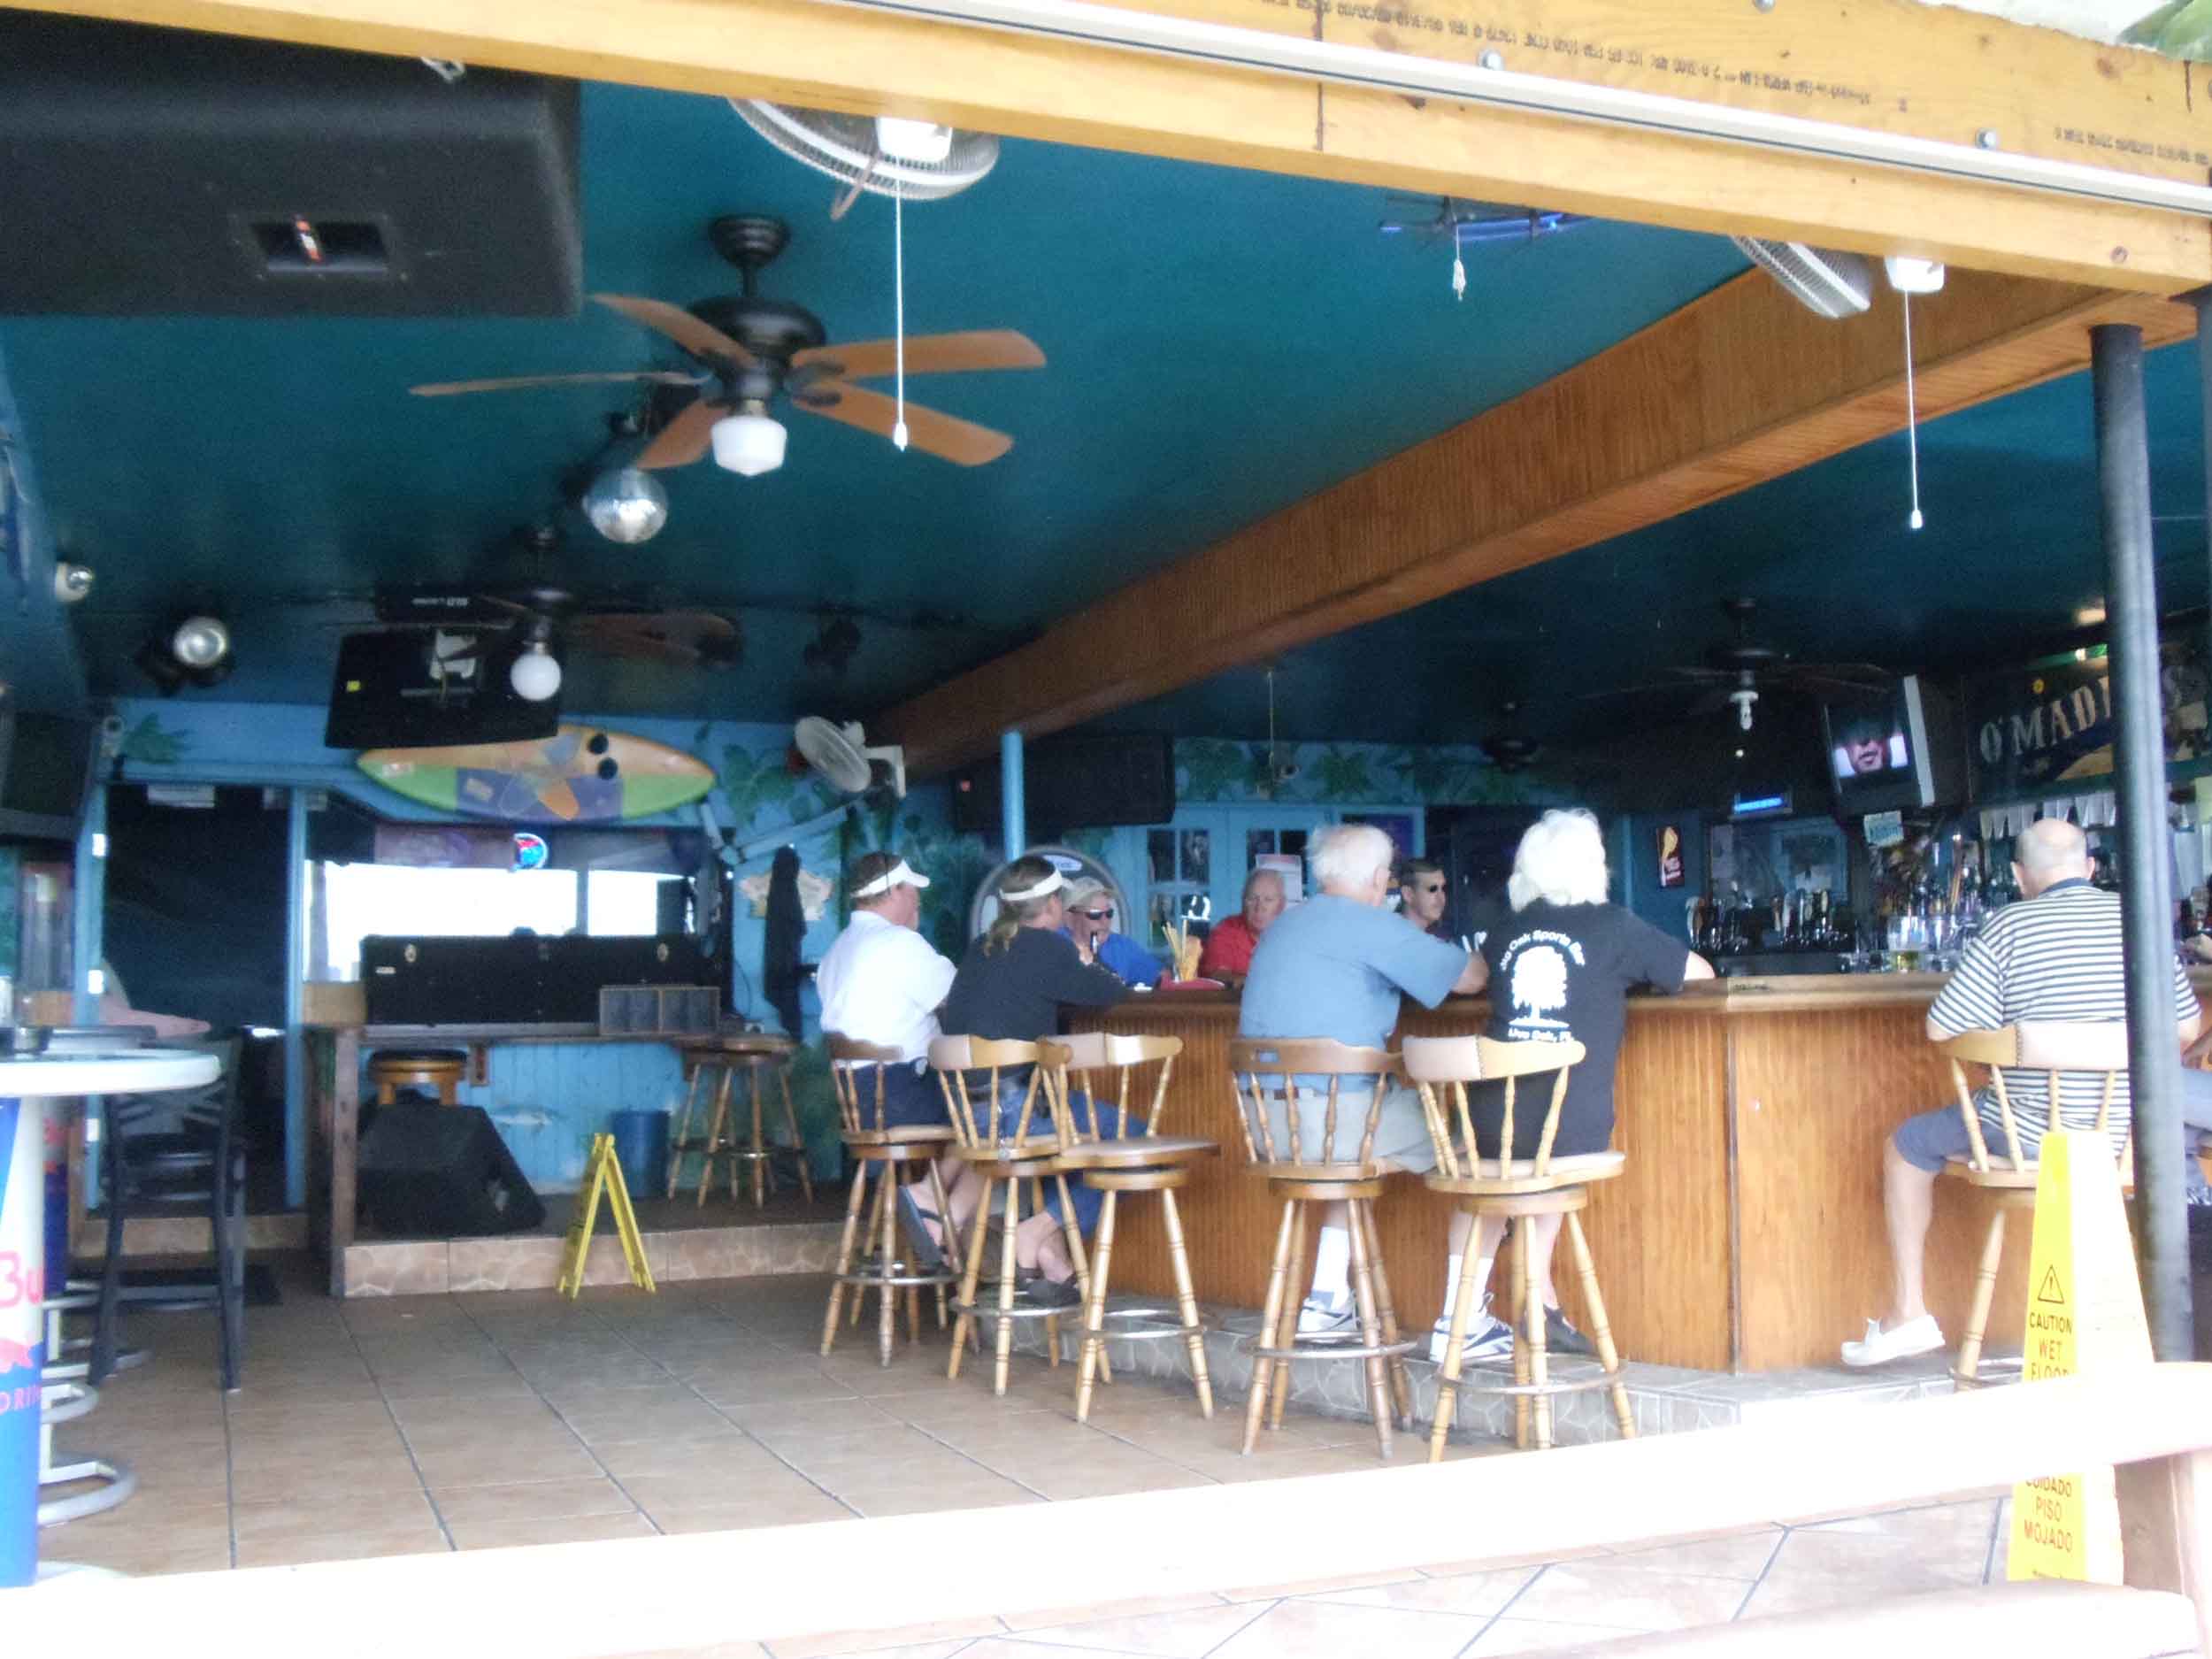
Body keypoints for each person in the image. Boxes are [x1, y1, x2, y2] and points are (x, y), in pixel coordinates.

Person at [1843, 818, 2201, 1367]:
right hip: (2133, 1137)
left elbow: (1942, 1029)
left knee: (1907, 1145)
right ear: (2090, 868)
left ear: (2018, 875)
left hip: (2034, 1133)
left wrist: (2021, 1041)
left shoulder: (2009, 926)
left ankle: (1908, 1312)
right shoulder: (2140, 921)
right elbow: (2182, 1029)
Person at [1450, 809, 1712, 1362]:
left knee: (1496, 1176)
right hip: (1569, 1121)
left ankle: (1468, 1315)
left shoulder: (1504, 932)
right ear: (1593, 867)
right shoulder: (1615, 926)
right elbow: (1699, 974)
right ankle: (1534, 1302)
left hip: (1487, 1122)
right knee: (1551, 1156)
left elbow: (1472, 976)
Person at [1239, 823, 1487, 1337]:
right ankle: (1466, 1322)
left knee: (1347, 1141)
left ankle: (1327, 1298)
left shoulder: (1282, 926)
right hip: (1332, 1123)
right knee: (1482, 1145)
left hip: (1265, 1127)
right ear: (1380, 878)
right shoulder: (1374, 926)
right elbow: (1471, 979)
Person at [940, 856, 1134, 1305]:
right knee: (1132, 1139)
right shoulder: (1048, 948)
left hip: (972, 1116)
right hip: (1017, 1115)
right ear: (1052, 904)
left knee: (1066, 1144)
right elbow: (1113, 993)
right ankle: (1038, 1231)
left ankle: (1054, 1263)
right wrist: (1086, 959)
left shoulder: (979, 948)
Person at [814, 852, 963, 1262]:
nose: (918, 902)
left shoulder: (836, 951)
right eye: (913, 891)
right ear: (894, 891)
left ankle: (940, 1221)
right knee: (996, 1119)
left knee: (987, 1118)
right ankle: (932, 1204)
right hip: (900, 1093)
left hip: (863, 1104)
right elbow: (961, 1002)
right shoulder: (899, 943)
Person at [1060, 878, 1163, 987]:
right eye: (1095, 914)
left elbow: (1161, 979)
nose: (1105, 921)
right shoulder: (1054, 946)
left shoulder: (1121, 946)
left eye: (1109, 913)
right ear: (1069, 918)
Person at [1198, 866, 1286, 987]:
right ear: (1243, 902)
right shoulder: (1226, 930)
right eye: (1252, 899)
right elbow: (1216, 974)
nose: (1259, 907)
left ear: (1282, 905)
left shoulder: (1292, 935)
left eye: (1268, 900)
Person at [1397, 857, 1450, 939]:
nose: (1441, 897)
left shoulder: (1440, 937)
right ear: (1408, 894)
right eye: (1432, 889)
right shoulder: (1391, 939)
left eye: (1443, 888)